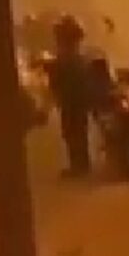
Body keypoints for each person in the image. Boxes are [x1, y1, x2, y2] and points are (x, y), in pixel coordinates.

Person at [46, 16, 99, 178]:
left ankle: (79, 165)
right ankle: (82, 164)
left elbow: (58, 81)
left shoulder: (67, 60)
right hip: (77, 99)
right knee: (79, 131)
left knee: (72, 132)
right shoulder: (78, 59)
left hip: (71, 99)